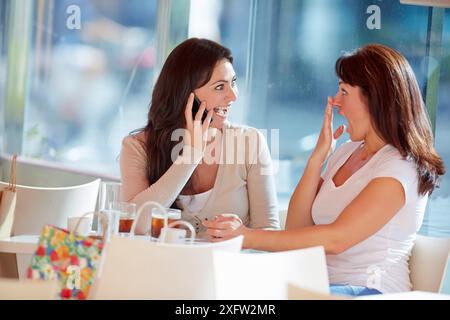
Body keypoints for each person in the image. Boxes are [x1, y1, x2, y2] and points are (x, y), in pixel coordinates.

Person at [203, 44, 445, 296]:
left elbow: (336, 239)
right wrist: (317, 159)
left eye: (344, 91)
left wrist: (247, 236)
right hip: (318, 288)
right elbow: (297, 232)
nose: (335, 101)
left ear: (374, 98)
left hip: (369, 291)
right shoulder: (345, 153)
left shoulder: (400, 167)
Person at [120, 38, 279, 236]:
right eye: (220, 87)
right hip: (162, 265)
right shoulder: (137, 147)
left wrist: (242, 236)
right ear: (186, 95)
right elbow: (133, 226)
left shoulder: (250, 142)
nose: (233, 96)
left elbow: (269, 231)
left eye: (233, 83)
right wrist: (191, 156)